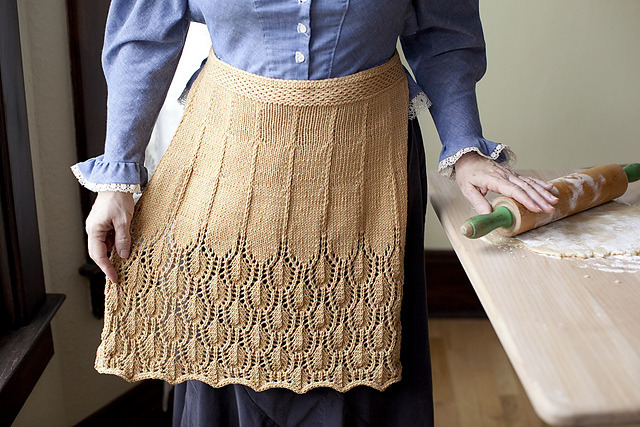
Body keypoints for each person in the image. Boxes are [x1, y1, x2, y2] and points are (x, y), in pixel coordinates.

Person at [71, 1, 557, 426]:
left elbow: (446, 32)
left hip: (368, 170)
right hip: (228, 164)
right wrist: (118, 177)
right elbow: (141, 35)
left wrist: (465, 144)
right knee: (225, 354)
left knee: (362, 368)